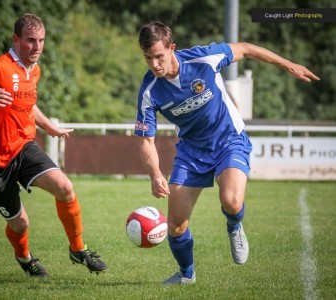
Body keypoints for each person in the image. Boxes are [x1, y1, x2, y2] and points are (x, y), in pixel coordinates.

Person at [134, 21, 319, 285]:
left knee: (231, 201)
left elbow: (245, 48)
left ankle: (234, 225)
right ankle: (187, 275)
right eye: (148, 58)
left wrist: (288, 65)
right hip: (191, 152)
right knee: (175, 225)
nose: (154, 64)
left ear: (172, 48)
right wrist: (154, 174)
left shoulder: (204, 59)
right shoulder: (150, 90)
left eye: (159, 56)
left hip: (229, 140)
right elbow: (145, 140)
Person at [0, 13, 107, 277]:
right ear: (16, 40)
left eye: (41, 41)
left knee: (65, 188)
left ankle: (78, 250)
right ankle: (25, 259)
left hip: (22, 146)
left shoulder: (34, 70)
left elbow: (28, 105)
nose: (37, 47)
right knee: (20, 224)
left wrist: (50, 127)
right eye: (31, 41)